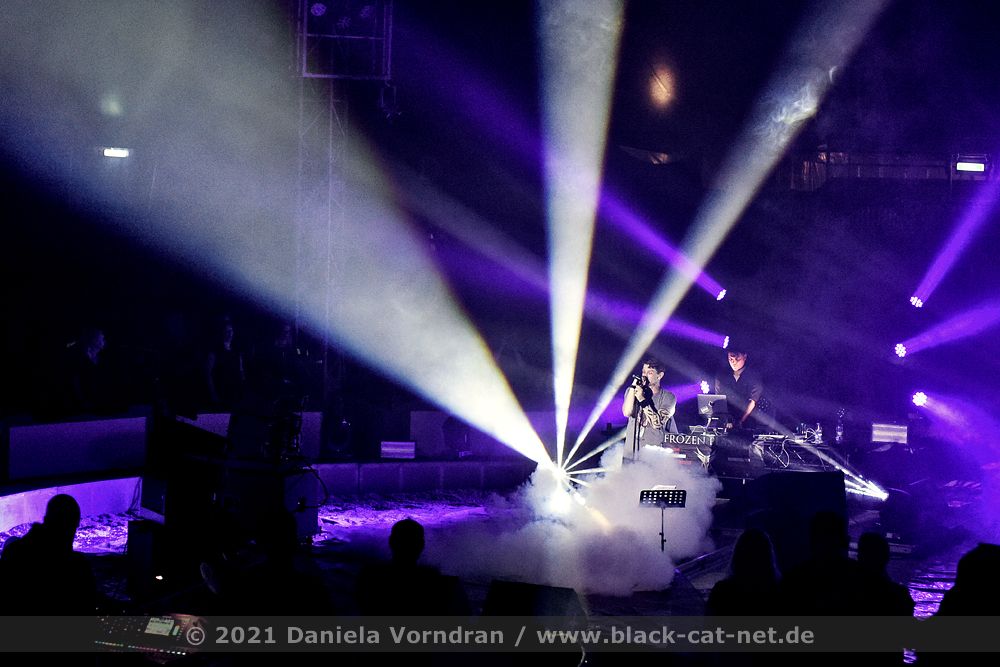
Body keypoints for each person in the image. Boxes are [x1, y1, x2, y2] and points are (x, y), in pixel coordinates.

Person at [0, 494, 97, 614]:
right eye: (74, 527)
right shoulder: (78, 566)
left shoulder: (13, 551)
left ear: (45, 519)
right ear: (74, 526)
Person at [622, 357, 677, 458]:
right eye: (643, 372)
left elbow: (657, 423)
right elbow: (627, 412)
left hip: (653, 454)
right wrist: (633, 387)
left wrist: (642, 399)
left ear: (659, 375)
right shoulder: (632, 392)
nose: (645, 375)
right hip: (630, 453)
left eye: (650, 373)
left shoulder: (668, 397)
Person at [714, 343, 764, 429]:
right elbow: (719, 398)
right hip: (725, 421)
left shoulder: (753, 376)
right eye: (730, 359)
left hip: (747, 422)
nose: (734, 362)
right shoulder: (722, 375)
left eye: (737, 359)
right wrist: (726, 420)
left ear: (745, 357)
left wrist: (740, 421)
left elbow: (752, 402)